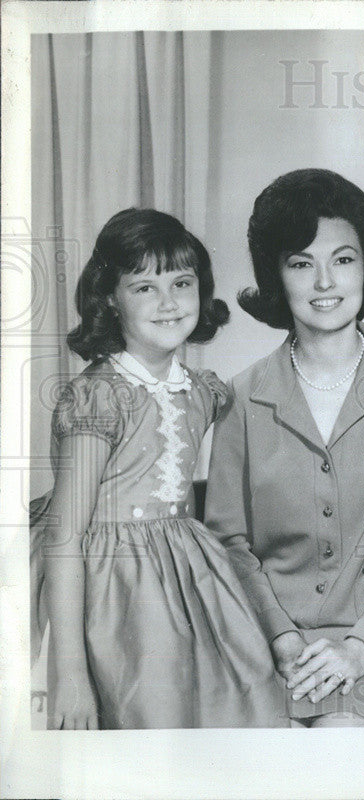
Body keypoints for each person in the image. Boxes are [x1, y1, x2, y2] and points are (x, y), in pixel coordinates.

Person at [206, 169, 364, 727]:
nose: (324, 282)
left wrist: (360, 646)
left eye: (342, 260)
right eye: (300, 263)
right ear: (277, 276)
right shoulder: (240, 398)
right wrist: (282, 639)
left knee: (339, 747)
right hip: (267, 650)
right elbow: (229, 545)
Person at [30, 208, 285, 729]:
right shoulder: (99, 396)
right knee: (145, 717)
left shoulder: (201, 391)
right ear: (109, 298)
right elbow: (64, 536)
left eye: (182, 283)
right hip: (106, 580)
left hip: (181, 569)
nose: (169, 302)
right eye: (145, 287)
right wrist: (70, 671)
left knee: (243, 692)